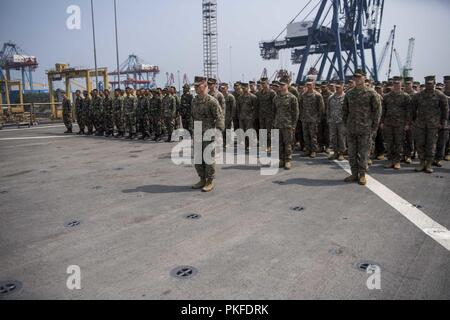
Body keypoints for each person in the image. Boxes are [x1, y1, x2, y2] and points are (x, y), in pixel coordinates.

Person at [343, 69, 382, 186]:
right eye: (355, 77)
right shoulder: (349, 93)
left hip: (365, 129)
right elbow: (345, 111)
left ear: (364, 78)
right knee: (352, 153)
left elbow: (377, 112)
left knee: (364, 153)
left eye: (359, 77)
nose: (357, 79)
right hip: (351, 128)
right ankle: (354, 174)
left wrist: (374, 128)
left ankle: (362, 175)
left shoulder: (371, 93)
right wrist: (347, 125)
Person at [191, 76, 224, 193]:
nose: (195, 88)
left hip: (209, 133)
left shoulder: (211, 101)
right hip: (197, 133)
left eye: (198, 86)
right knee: (198, 159)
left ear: (204, 86)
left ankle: (210, 181)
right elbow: (193, 116)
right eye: (195, 86)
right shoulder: (194, 100)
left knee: (208, 158)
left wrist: (218, 132)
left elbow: (219, 117)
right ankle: (202, 179)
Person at [412, 76, 449, 173]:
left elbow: (445, 110)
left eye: (431, 83)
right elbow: (413, 109)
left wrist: (442, 122)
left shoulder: (440, 95)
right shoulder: (418, 95)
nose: (429, 85)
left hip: (433, 125)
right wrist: (413, 121)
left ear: (434, 83)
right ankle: (421, 162)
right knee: (420, 143)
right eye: (427, 83)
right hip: (420, 124)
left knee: (431, 144)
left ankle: (429, 163)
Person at [380, 77, 412, 170]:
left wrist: (407, 124)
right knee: (389, 143)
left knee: (399, 143)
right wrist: (382, 122)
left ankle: (397, 161)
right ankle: (390, 160)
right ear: (393, 84)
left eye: (398, 83)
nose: (396, 85)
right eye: (395, 83)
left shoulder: (406, 96)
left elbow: (408, 111)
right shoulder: (386, 96)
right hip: (388, 123)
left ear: (401, 84)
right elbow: (383, 110)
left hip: (400, 124)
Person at [273, 79, 299, 170]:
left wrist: (293, 125)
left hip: (288, 124)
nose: (281, 87)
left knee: (288, 143)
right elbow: (274, 111)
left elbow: (295, 113)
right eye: (280, 85)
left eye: (283, 85)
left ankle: (288, 160)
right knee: (279, 143)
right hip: (278, 123)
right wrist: (274, 122)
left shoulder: (292, 98)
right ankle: (281, 159)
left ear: (287, 86)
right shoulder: (276, 98)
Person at [299, 80, 324, 158]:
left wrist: (319, 118)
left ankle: (313, 150)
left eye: (310, 85)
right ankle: (308, 150)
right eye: (307, 85)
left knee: (313, 135)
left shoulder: (317, 95)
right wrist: (301, 116)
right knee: (306, 135)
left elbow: (321, 108)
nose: (309, 86)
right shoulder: (303, 95)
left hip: (314, 119)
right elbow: (301, 106)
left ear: (313, 85)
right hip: (305, 119)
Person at [255, 78, 276, 152]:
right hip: (261, 115)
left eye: (264, 83)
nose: (263, 85)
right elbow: (257, 104)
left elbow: (274, 105)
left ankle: (269, 146)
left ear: (268, 83)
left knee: (269, 131)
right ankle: (264, 145)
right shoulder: (258, 93)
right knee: (262, 131)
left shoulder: (272, 93)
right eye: (262, 83)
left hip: (269, 116)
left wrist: (274, 115)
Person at [327, 81, 346, 161]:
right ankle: (335, 152)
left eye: (339, 87)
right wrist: (328, 119)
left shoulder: (346, 97)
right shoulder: (331, 97)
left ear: (342, 87)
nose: (337, 88)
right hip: (332, 121)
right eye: (336, 87)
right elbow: (328, 109)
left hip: (342, 121)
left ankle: (341, 153)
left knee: (341, 137)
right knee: (333, 137)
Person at [434, 76, 450, 166]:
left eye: (449, 83)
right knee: (438, 140)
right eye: (446, 83)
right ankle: (436, 158)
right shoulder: (440, 95)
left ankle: (443, 156)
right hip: (439, 120)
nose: (447, 84)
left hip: (446, 120)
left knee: (444, 141)